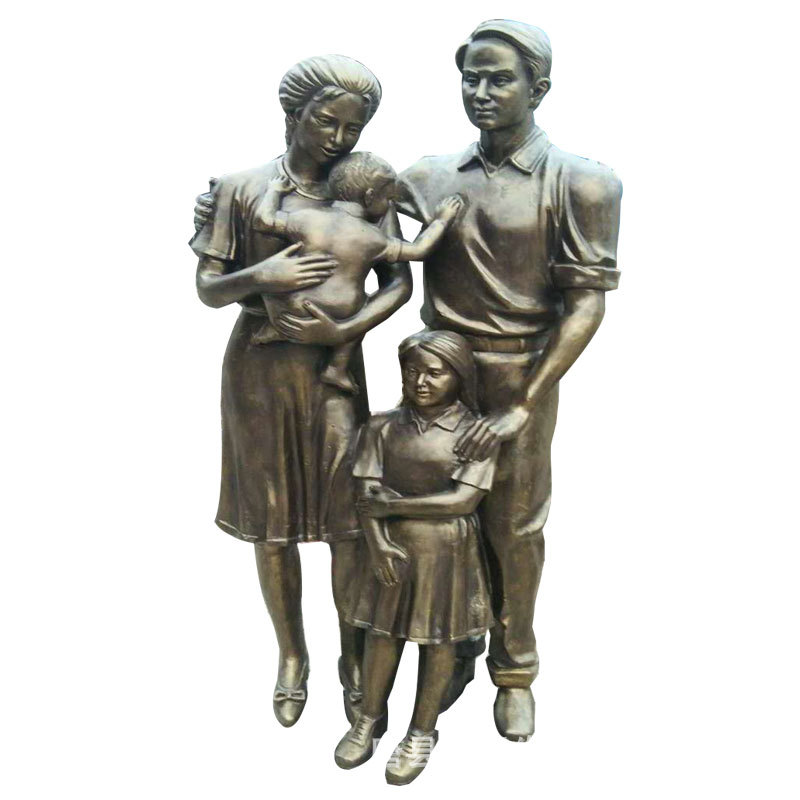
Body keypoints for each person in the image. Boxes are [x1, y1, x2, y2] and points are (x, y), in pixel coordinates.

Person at [392, 20, 623, 741]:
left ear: (538, 88)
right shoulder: (427, 176)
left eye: (500, 79)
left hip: (521, 369)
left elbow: (586, 304)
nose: (482, 92)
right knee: (435, 519)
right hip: (437, 369)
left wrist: (525, 401)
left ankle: (514, 669)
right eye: (472, 78)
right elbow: (341, 203)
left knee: (513, 528)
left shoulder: (583, 183)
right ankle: (450, 649)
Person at [190, 55, 412, 728]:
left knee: (349, 517)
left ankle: (352, 653)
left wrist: (345, 327)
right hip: (260, 370)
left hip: (334, 372)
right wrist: (264, 277)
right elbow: (208, 289)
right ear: (294, 112)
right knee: (273, 521)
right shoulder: (242, 188)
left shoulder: (363, 187)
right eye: (326, 121)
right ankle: (292, 655)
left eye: (352, 127)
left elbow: (399, 282)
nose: (338, 138)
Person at [333, 330, 497, 785]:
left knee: (439, 640)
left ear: (458, 375)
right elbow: (366, 493)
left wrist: (396, 506)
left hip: (447, 550)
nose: (421, 381)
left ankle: (422, 731)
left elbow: (463, 500)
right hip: (392, 549)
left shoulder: (474, 432)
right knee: (382, 634)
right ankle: (368, 719)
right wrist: (378, 543)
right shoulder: (381, 427)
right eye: (412, 371)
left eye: (434, 373)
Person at [251, 153, 462, 393]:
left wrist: (274, 191)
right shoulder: (372, 238)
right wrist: (441, 220)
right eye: (388, 198)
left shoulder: (307, 218)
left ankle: (275, 327)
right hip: (337, 313)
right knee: (363, 306)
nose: (389, 205)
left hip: (288, 305)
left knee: (273, 278)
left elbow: (263, 220)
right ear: (370, 196)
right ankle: (336, 367)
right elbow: (419, 250)